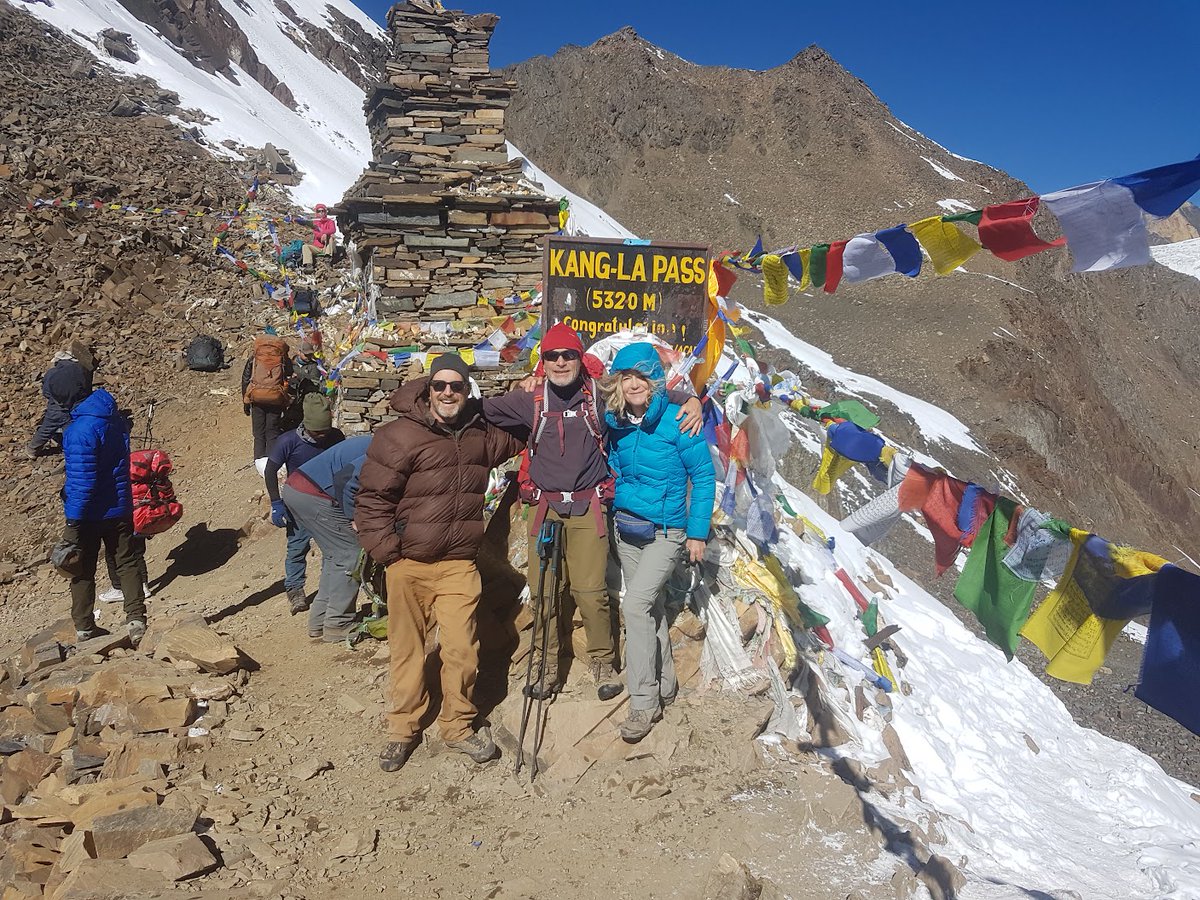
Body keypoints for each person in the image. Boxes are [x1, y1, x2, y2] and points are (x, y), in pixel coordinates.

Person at [481, 324, 703, 701]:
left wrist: (691, 400)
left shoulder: (598, 397)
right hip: (544, 507)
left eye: (569, 354)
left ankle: (602, 661)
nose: (561, 362)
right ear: (543, 361)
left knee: (591, 590)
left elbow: (645, 397)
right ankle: (546, 664)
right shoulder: (529, 400)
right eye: (552, 355)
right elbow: (478, 410)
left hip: (588, 506)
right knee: (544, 591)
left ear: (580, 358)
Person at [356, 354, 524, 772]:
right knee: (407, 650)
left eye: (458, 386)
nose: (448, 392)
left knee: (463, 650)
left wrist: (533, 395)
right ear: (428, 388)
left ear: (469, 392)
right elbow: (372, 500)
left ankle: (458, 726)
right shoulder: (398, 435)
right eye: (440, 385)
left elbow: (529, 430)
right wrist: (388, 552)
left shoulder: (481, 436)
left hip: (458, 565)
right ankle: (402, 728)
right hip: (407, 563)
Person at [601, 343, 716, 743]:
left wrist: (698, 532)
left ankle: (643, 703)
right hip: (628, 528)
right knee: (648, 610)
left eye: (641, 377)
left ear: (654, 381)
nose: (633, 385)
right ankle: (666, 682)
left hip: (668, 532)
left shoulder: (678, 421)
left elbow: (703, 477)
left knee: (634, 606)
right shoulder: (613, 421)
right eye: (625, 377)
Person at [60, 387, 147, 646]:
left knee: (81, 568)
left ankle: (85, 627)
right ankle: (136, 619)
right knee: (127, 561)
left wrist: (73, 519)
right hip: (119, 506)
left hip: (88, 513)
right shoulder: (115, 422)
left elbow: (82, 481)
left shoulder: (79, 431)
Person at [280, 433, 371, 642]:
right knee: (351, 554)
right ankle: (339, 624)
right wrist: (352, 517)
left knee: (334, 556)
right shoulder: (387, 451)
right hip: (314, 493)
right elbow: (344, 481)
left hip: (297, 488)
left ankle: (319, 621)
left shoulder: (376, 441)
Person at [266, 394, 345, 614]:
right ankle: (295, 590)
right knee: (297, 547)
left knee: (331, 549)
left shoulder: (335, 437)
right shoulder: (288, 441)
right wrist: (276, 502)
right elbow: (270, 470)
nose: (321, 437)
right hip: (298, 503)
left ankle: (327, 590)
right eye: (316, 432)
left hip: (329, 501)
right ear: (306, 425)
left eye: (324, 432)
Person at [27, 347, 94, 458]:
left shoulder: (53, 373)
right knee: (72, 427)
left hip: (57, 405)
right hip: (76, 405)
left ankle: (32, 450)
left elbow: (46, 392)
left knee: (46, 429)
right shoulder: (81, 369)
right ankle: (74, 448)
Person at [242, 334, 294, 465]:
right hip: (275, 397)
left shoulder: (254, 358)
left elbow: (245, 378)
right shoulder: (282, 358)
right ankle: (272, 462)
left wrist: (246, 401)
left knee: (258, 432)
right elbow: (289, 373)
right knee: (272, 431)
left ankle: (258, 461)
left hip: (257, 397)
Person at [302, 204, 336, 268]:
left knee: (331, 237)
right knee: (305, 246)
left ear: (325, 212)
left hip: (327, 246)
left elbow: (333, 230)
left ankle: (327, 258)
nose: (321, 213)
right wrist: (322, 235)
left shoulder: (330, 221)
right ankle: (308, 265)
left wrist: (325, 234)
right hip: (317, 247)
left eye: (322, 211)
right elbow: (316, 233)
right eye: (319, 211)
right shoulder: (315, 222)